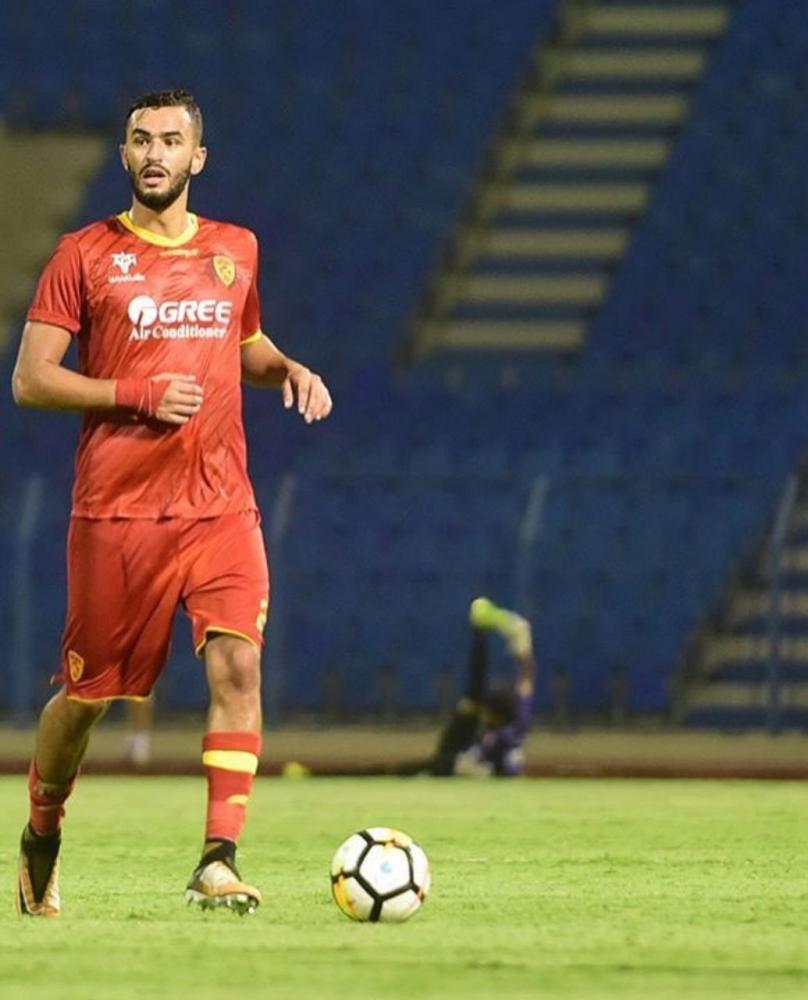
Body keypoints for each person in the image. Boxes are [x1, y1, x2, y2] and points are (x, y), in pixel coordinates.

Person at [11, 89, 332, 917]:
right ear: (124, 154)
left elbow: (243, 345)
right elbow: (31, 379)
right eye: (141, 140)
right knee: (87, 699)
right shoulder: (84, 254)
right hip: (118, 513)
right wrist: (136, 392)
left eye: (170, 141)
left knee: (239, 664)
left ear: (198, 158)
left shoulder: (235, 249)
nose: (155, 153)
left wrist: (289, 368)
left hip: (220, 505)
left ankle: (218, 859)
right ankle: (42, 830)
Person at [395, 597, 535, 777]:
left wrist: (480, 634)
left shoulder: (498, 739)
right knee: (470, 705)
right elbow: (526, 678)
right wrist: (524, 645)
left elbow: (478, 686)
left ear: (495, 716)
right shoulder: (519, 719)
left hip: (477, 771)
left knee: (469, 706)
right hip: (485, 768)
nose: (483, 714)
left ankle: (480, 633)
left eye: (486, 711)